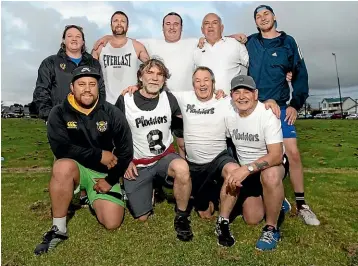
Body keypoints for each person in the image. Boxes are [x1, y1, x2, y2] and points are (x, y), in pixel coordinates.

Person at [93, 12, 247, 158]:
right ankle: (153, 174)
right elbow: (124, 39)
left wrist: (230, 37)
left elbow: (213, 37)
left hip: (184, 104)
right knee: (150, 141)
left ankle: (185, 175)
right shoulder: (150, 43)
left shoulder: (194, 43)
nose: (172, 27)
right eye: (168, 24)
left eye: (176, 24)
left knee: (184, 144)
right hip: (158, 102)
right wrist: (109, 36)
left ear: (181, 27)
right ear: (162, 27)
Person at [34, 66, 133, 255]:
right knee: (62, 166)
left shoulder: (111, 112)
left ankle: (91, 195)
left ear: (98, 87)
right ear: (72, 87)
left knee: (112, 222)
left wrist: (110, 180)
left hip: (103, 174)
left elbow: (126, 150)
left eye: (92, 84)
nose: (87, 89)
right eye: (81, 84)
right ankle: (59, 229)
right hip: (76, 169)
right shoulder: (59, 112)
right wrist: (98, 154)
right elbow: (61, 148)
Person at [244, 5, 319, 225]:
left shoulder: (289, 42)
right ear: (255, 22)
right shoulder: (250, 42)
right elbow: (225, 43)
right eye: (258, 16)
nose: (263, 18)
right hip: (256, 108)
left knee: (292, 153)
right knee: (260, 155)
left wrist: (296, 104)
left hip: (280, 107)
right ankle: (274, 191)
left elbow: (300, 74)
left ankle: (301, 203)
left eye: (266, 14)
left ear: (274, 17)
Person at [115, 58, 193, 242]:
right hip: (138, 163)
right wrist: (124, 162)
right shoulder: (125, 99)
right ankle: (149, 187)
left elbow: (197, 102)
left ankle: (182, 216)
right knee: (142, 217)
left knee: (182, 168)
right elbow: (114, 134)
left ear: (164, 80)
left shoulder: (169, 98)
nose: (154, 78)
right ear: (140, 77)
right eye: (150, 73)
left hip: (163, 158)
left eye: (160, 74)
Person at [224, 75, 287, 251]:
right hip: (248, 171)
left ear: (256, 94)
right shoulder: (229, 113)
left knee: (271, 175)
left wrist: (247, 169)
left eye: (247, 92)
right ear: (231, 95)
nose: (242, 96)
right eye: (237, 92)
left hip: (270, 166)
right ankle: (278, 199)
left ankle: (271, 228)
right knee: (251, 218)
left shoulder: (267, 114)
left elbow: (275, 156)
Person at [33, 25, 105, 122]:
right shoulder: (50, 63)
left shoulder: (94, 64)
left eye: (78, 36)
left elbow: (101, 91)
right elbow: (41, 92)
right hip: (60, 122)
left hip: (88, 121)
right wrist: (52, 116)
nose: (74, 39)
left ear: (83, 42)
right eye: (70, 36)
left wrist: (96, 115)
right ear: (63, 40)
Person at [92, 11, 149, 104]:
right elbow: (90, 74)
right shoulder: (99, 47)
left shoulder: (137, 46)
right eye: (115, 21)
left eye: (123, 21)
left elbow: (151, 69)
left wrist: (139, 86)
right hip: (106, 103)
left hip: (131, 101)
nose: (119, 23)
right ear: (111, 25)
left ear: (128, 26)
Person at [193, 13, 249, 94]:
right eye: (206, 23)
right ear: (202, 29)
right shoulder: (196, 48)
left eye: (215, 23)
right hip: (205, 103)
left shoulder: (235, 44)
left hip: (232, 103)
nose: (210, 26)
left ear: (222, 28)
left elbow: (254, 67)